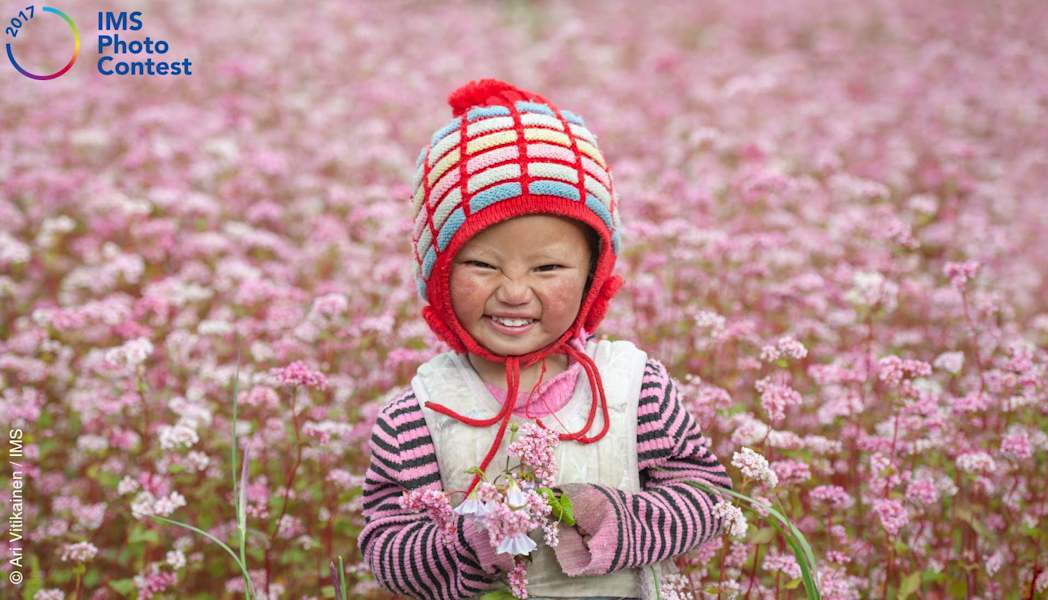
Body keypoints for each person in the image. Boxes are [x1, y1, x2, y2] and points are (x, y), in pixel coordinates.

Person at [358, 78, 733, 600]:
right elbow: (386, 549)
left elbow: (709, 499)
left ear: (591, 276)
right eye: (482, 265)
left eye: (549, 266)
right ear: (438, 275)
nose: (514, 292)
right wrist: (475, 541)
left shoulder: (633, 385)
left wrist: (618, 520)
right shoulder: (418, 413)